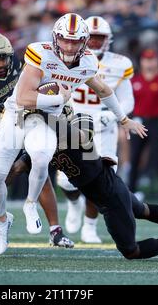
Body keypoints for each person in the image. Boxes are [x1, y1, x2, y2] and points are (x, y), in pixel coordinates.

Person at [0, 13, 147, 255]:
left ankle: (30, 204)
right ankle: (2, 221)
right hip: (17, 115)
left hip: (46, 119)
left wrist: (123, 119)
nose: (70, 46)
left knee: (41, 156)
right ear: (55, 38)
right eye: (65, 40)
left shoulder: (88, 62)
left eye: (75, 41)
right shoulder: (40, 53)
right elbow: (23, 98)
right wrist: (58, 97)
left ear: (84, 42)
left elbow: (103, 90)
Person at [17, 114, 158, 260]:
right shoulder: (42, 143)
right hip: (110, 186)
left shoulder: (77, 122)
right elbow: (20, 165)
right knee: (142, 210)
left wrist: (52, 120)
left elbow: (84, 136)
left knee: (131, 252)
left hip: (109, 197)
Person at [0, 32, 73, 247]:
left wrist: (57, 103)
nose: (0, 63)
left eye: (4, 57)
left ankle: (55, 230)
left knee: (39, 169)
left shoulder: (21, 65)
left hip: (27, 124)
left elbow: (39, 88)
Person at [57, 16, 135, 243]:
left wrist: (110, 116)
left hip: (103, 126)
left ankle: (90, 226)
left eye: (98, 37)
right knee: (65, 179)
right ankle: (73, 203)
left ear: (108, 39)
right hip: (73, 122)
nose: (93, 42)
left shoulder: (120, 63)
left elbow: (127, 100)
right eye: (89, 38)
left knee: (99, 179)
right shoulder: (65, 59)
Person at [128, 48, 158, 206]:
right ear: (142, 61)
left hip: (156, 122)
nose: (149, 62)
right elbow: (127, 104)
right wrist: (125, 123)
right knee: (134, 158)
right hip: (138, 122)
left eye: (152, 59)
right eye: (146, 59)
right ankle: (129, 193)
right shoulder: (134, 80)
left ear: (157, 61)